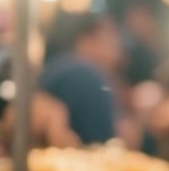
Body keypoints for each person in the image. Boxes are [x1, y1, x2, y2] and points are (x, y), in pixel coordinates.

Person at [39, 11, 125, 145]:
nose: (117, 42)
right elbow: (101, 146)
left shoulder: (61, 67)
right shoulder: (86, 75)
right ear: (86, 40)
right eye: (110, 35)